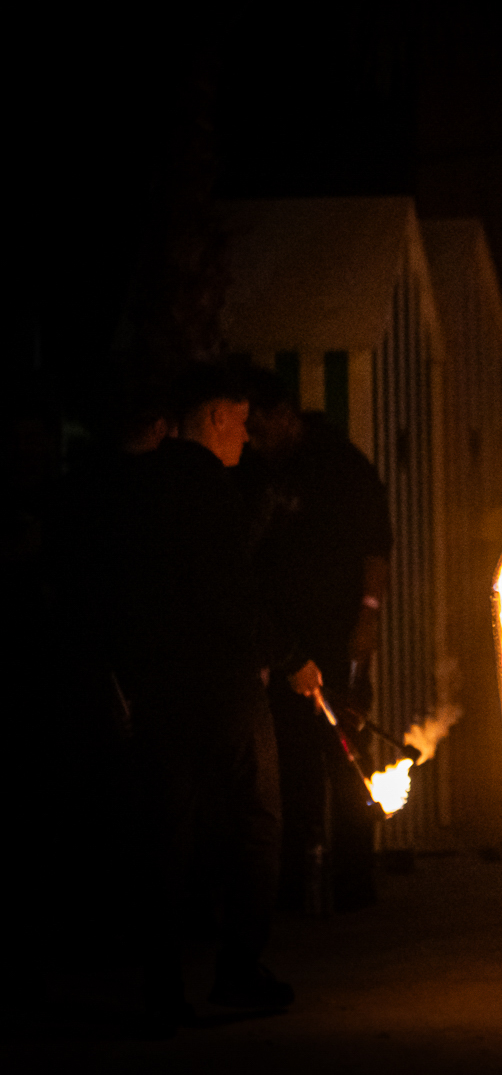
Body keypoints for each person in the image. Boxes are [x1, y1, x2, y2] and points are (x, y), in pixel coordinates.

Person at [108, 365, 292, 1033]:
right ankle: (239, 969)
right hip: (222, 682)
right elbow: (228, 587)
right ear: (215, 417)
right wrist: (283, 655)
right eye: (241, 421)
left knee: (166, 834)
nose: (247, 434)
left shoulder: (138, 484)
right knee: (258, 821)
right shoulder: (210, 486)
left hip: (159, 686)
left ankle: (161, 989)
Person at [238, 369, 392, 912]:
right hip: (283, 641)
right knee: (290, 761)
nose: (251, 439)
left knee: (345, 753)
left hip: (337, 635)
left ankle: (353, 881)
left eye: (258, 426)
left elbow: (376, 546)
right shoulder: (257, 471)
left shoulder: (340, 464)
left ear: (284, 415)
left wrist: (367, 617)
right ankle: (294, 886)